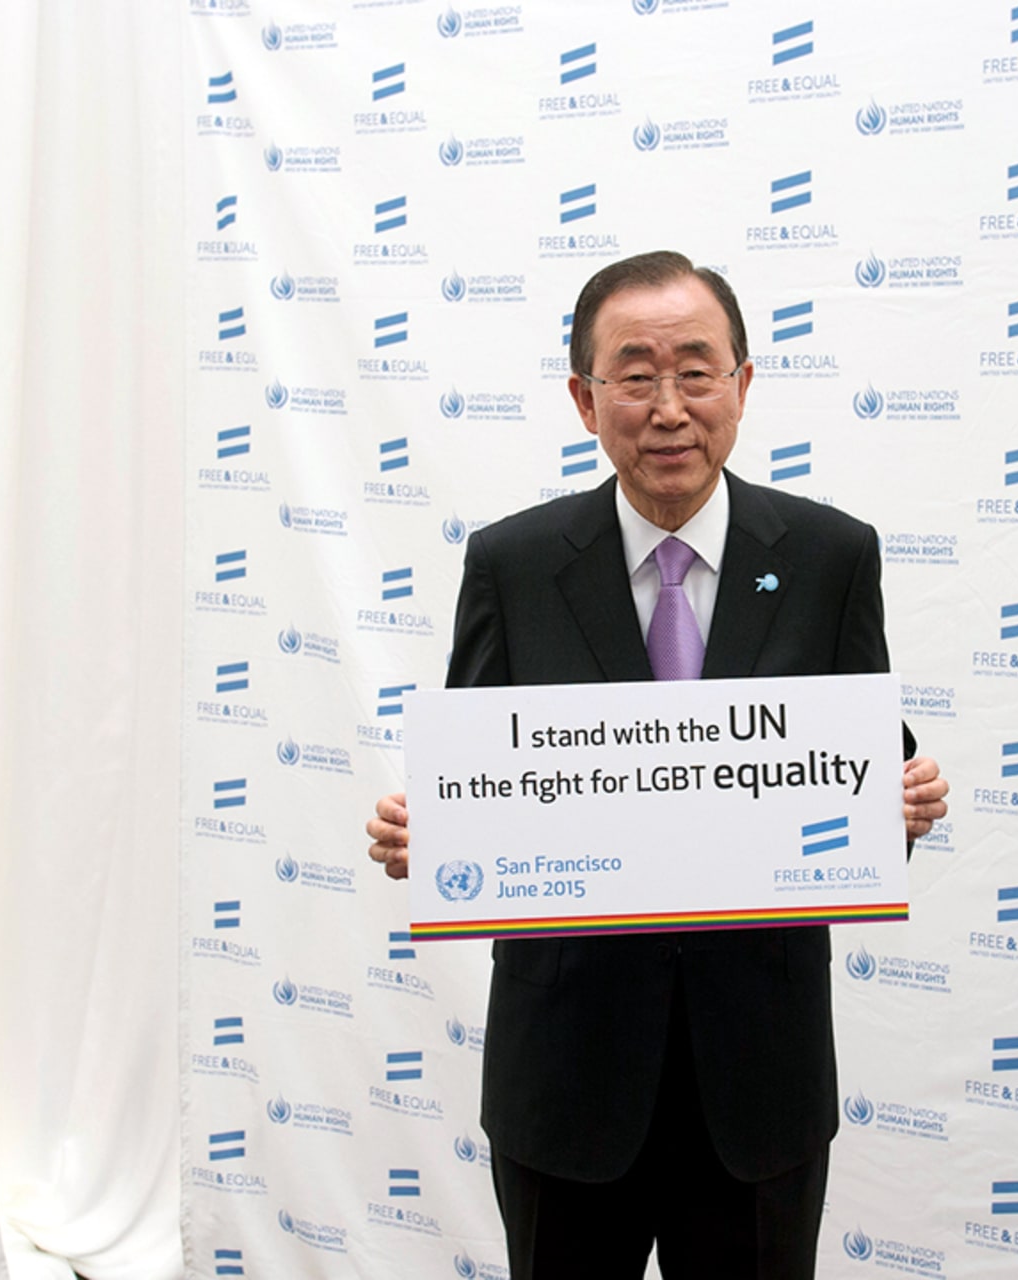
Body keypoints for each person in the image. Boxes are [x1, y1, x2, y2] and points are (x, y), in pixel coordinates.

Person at [366, 250, 948, 1278]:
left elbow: (863, 764)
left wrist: (902, 799)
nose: (670, 408)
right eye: (635, 375)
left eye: (696, 371)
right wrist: (436, 832)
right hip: (567, 1073)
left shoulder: (831, 556)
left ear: (743, 384)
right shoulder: (512, 564)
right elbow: (476, 772)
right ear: (585, 400)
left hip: (758, 1078)